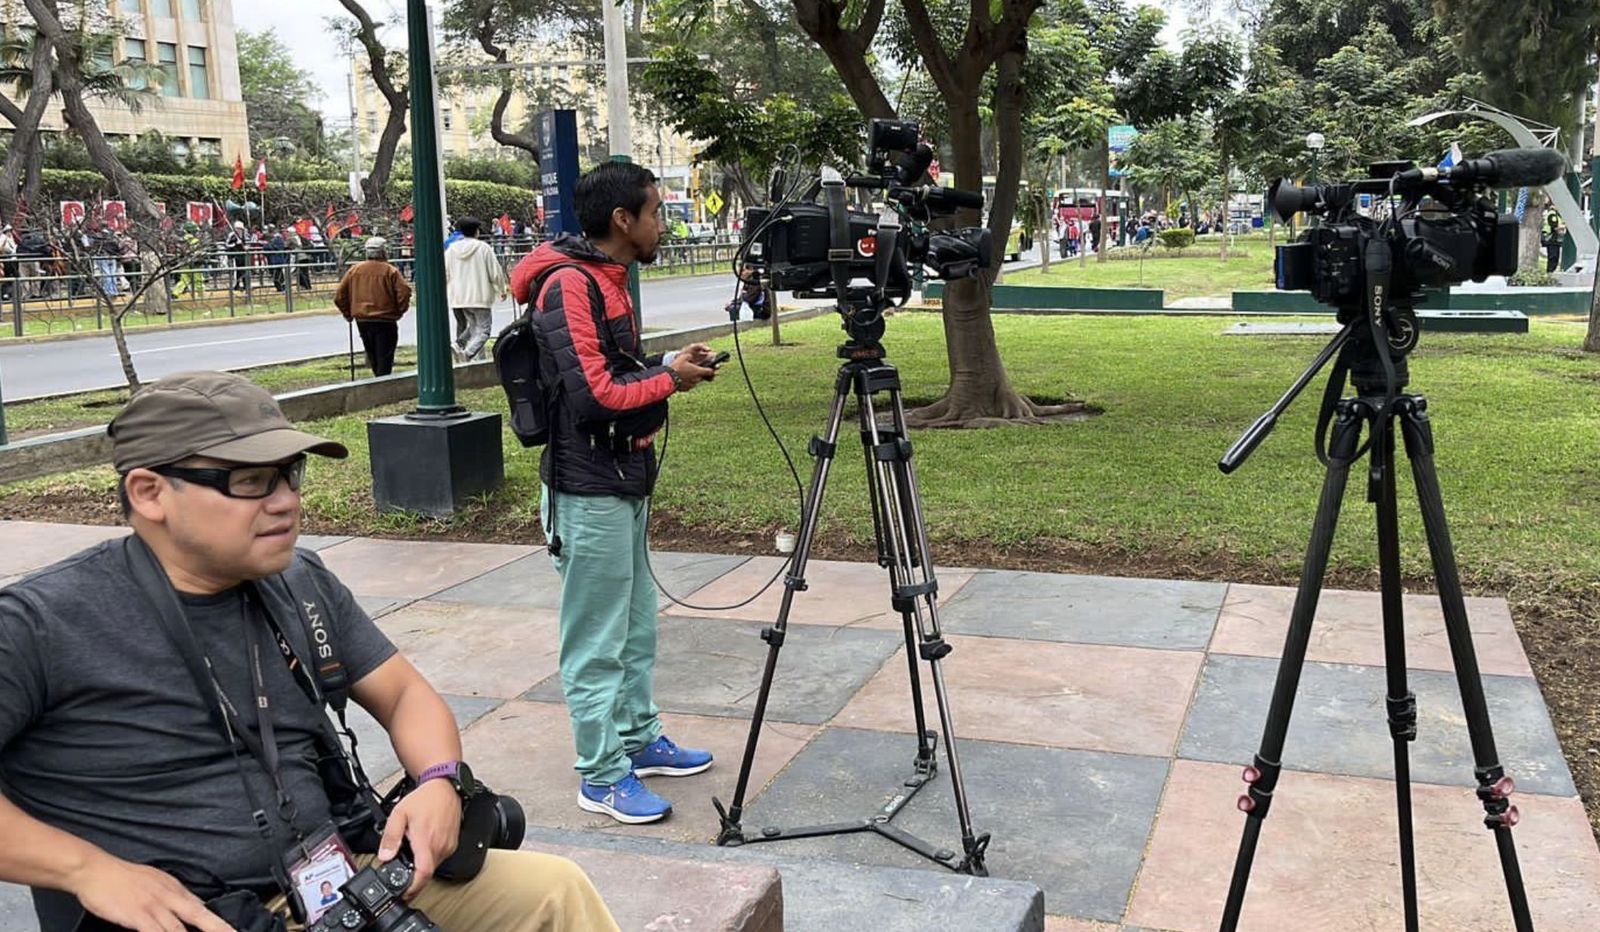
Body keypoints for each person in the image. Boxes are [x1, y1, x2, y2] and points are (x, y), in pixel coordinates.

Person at [0, 371, 619, 932]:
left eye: (289, 475)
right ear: (149, 492)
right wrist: (86, 871)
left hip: (338, 884)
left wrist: (437, 781)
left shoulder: (299, 581)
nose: (285, 501)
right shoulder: (39, 623)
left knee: (553, 892)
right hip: (192, 913)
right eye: (249, 481)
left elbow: (404, 694)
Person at [509, 162, 718, 825]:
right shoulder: (569, 285)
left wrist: (665, 365)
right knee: (596, 640)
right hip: (587, 485)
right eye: (657, 211)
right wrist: (672, 382)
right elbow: (593, 395)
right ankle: (601, 775)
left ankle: (638, 740)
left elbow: (614, 369)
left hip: (624, 477)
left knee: (636, 626)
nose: (664, 222)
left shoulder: (608, 279)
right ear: (623, 221)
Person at [334, 237, 411, 377]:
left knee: (372, 355)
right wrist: (399, 310)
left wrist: (348, 314)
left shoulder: (354, 270)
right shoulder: (390, 271)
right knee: (385, 357)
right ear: (383, 252)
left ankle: (378, 381)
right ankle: (382, 385)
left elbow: (339, 296)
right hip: (385, 319)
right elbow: (404, 292)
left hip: (362, 319)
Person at [444, 216, 508, 362]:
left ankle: (459, 343)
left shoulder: (451, 250)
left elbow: (445, 273)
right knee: (484, 330)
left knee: (473, 326)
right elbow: (495, 271)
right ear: (476, 232)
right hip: (480, 295)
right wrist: (501, 289)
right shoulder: (483, 248)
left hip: (460, 296)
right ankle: (467, 353)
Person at [267, 227, 289, 292]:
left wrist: (269, 245)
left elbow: (268, 247)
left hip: (277, 260)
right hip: (276, 259)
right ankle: (281, 287)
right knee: (278, 274)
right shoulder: (275, 239)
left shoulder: (277, 239)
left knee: (278, 275)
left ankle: (282, 287)